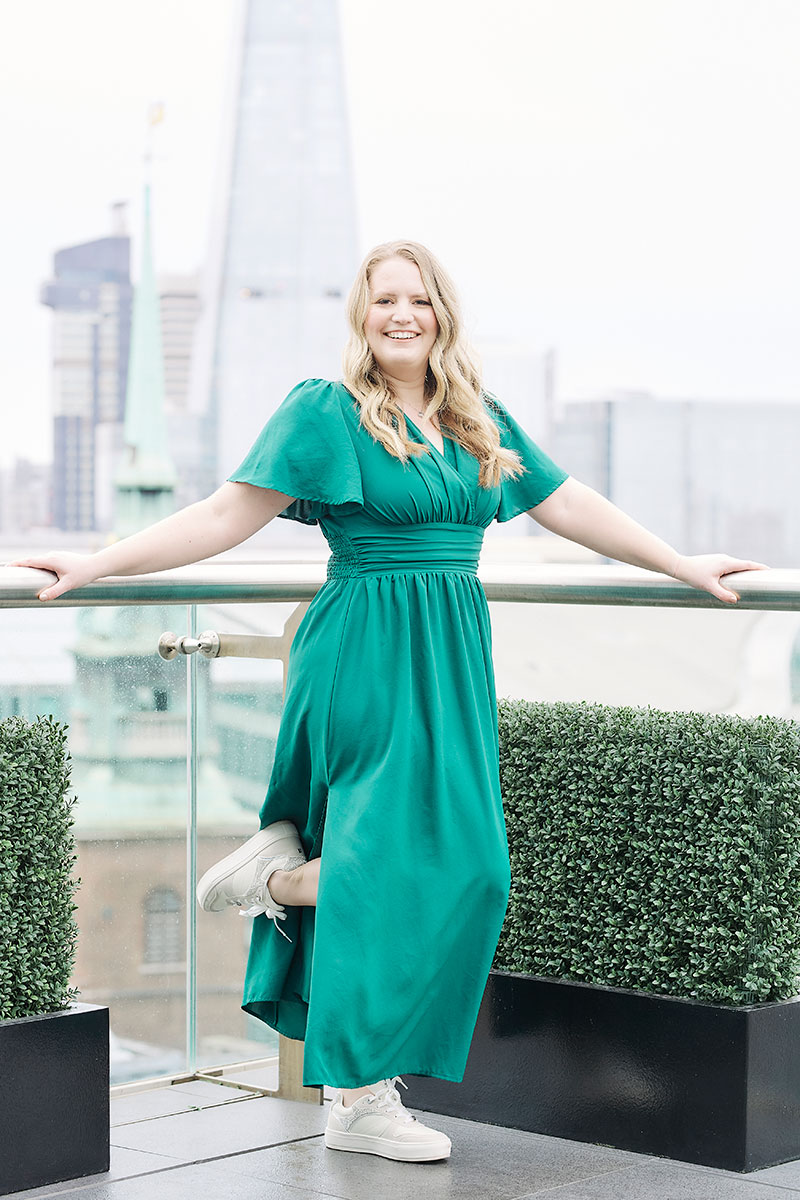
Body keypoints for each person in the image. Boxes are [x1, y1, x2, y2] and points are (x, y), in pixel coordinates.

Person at [11, 241, 767, 1164]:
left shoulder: (478, 421)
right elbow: (221, 516)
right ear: (362, 317)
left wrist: (682, 564)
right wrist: (96, 563)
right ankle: (357, 1090)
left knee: (475, 867)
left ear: (442, 314)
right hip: (361, 649)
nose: (400, 315)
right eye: (383, 301)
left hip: (451, 653)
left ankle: (279, 886)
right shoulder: (325, 412)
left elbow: (568, 506)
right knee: (376, 869)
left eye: (418, 300)